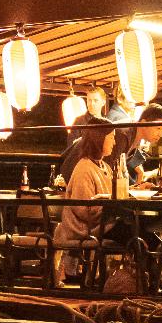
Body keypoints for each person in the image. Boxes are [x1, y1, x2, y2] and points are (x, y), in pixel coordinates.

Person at [53, 117, 116, 281]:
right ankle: (145, 281)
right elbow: (83, 209)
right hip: (85, 228)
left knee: (142, 231)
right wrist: (109, 204)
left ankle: (149, 279)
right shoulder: (84, 168)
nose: (114, 142)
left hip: (103, 223)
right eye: (111, 137)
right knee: (135, 233)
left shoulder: (105, 167)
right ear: (99, 138)